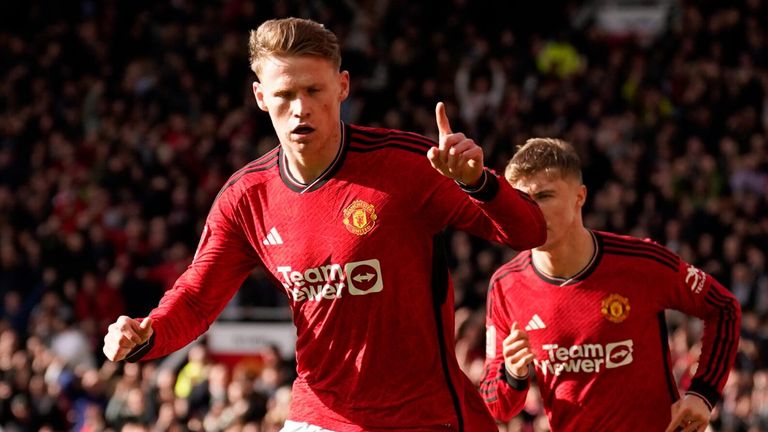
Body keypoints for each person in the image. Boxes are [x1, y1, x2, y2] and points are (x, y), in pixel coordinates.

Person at [102, 17, 546, 432]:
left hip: (423, 416)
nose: (301, 109)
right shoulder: (246, 198)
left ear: (343, 86)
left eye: (315, 91)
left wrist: (478, 182)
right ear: (260, 97)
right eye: (285, 95)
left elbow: (530, 232)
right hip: (319, 415)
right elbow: (198, 299)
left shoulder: (409, 165)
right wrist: (148, 333)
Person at [479, 138, 741, 432]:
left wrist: (702, 393)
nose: (531, 211)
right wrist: (513, 374)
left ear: (580, 197)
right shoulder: (506, 285)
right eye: (521, 200)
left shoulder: (641, 262)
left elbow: (724, 308)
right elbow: (495, 404)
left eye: (544, 196)